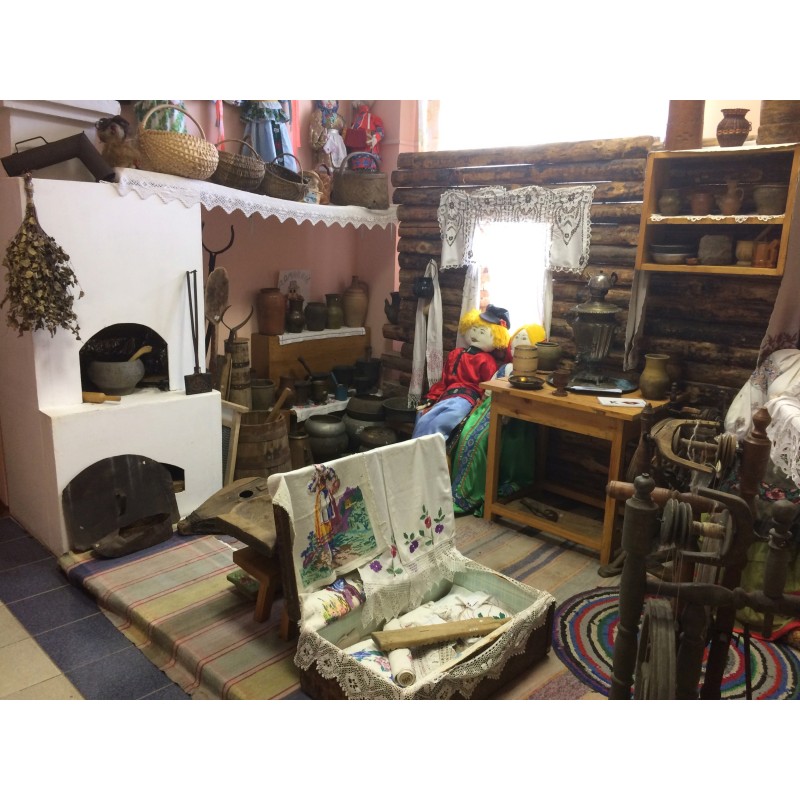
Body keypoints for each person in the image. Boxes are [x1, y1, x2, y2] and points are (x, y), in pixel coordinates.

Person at [450, 322, 546, 516]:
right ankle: (462, 491)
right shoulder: (506, 368)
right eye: (516, 338)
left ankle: (473, 492)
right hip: (489, 408)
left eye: (524, 339)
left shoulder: (537, 376)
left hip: (515, 417)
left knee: (484, 440)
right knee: (469, 436)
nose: (517, 342)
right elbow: (487, 390)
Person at [412, 305, 510, 442]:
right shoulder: (456, 354)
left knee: (438, 424)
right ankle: (416, 451)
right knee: (423, 418)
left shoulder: (486, 361)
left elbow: (487, 388)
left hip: (466, 400)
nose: (475, 334)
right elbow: (444, 381)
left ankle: (425, 452)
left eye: (482, 332)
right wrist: (431, 397)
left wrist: (480, 406)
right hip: (447, 396)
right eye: (474, 329)